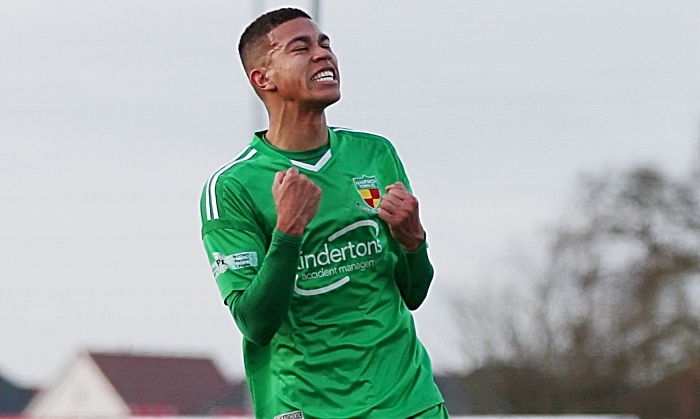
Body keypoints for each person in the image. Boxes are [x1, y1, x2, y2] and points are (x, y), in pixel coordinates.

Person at [200, 8, 447, 419]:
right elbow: (255, 322)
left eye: (325, 44)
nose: (323, 54)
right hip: (306, 408)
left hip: (408, 401)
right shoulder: (233, 187)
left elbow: (414, 292)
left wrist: (413, 241)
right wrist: (289, 232)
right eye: (302, 47)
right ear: (264, 79)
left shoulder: (375, 154)